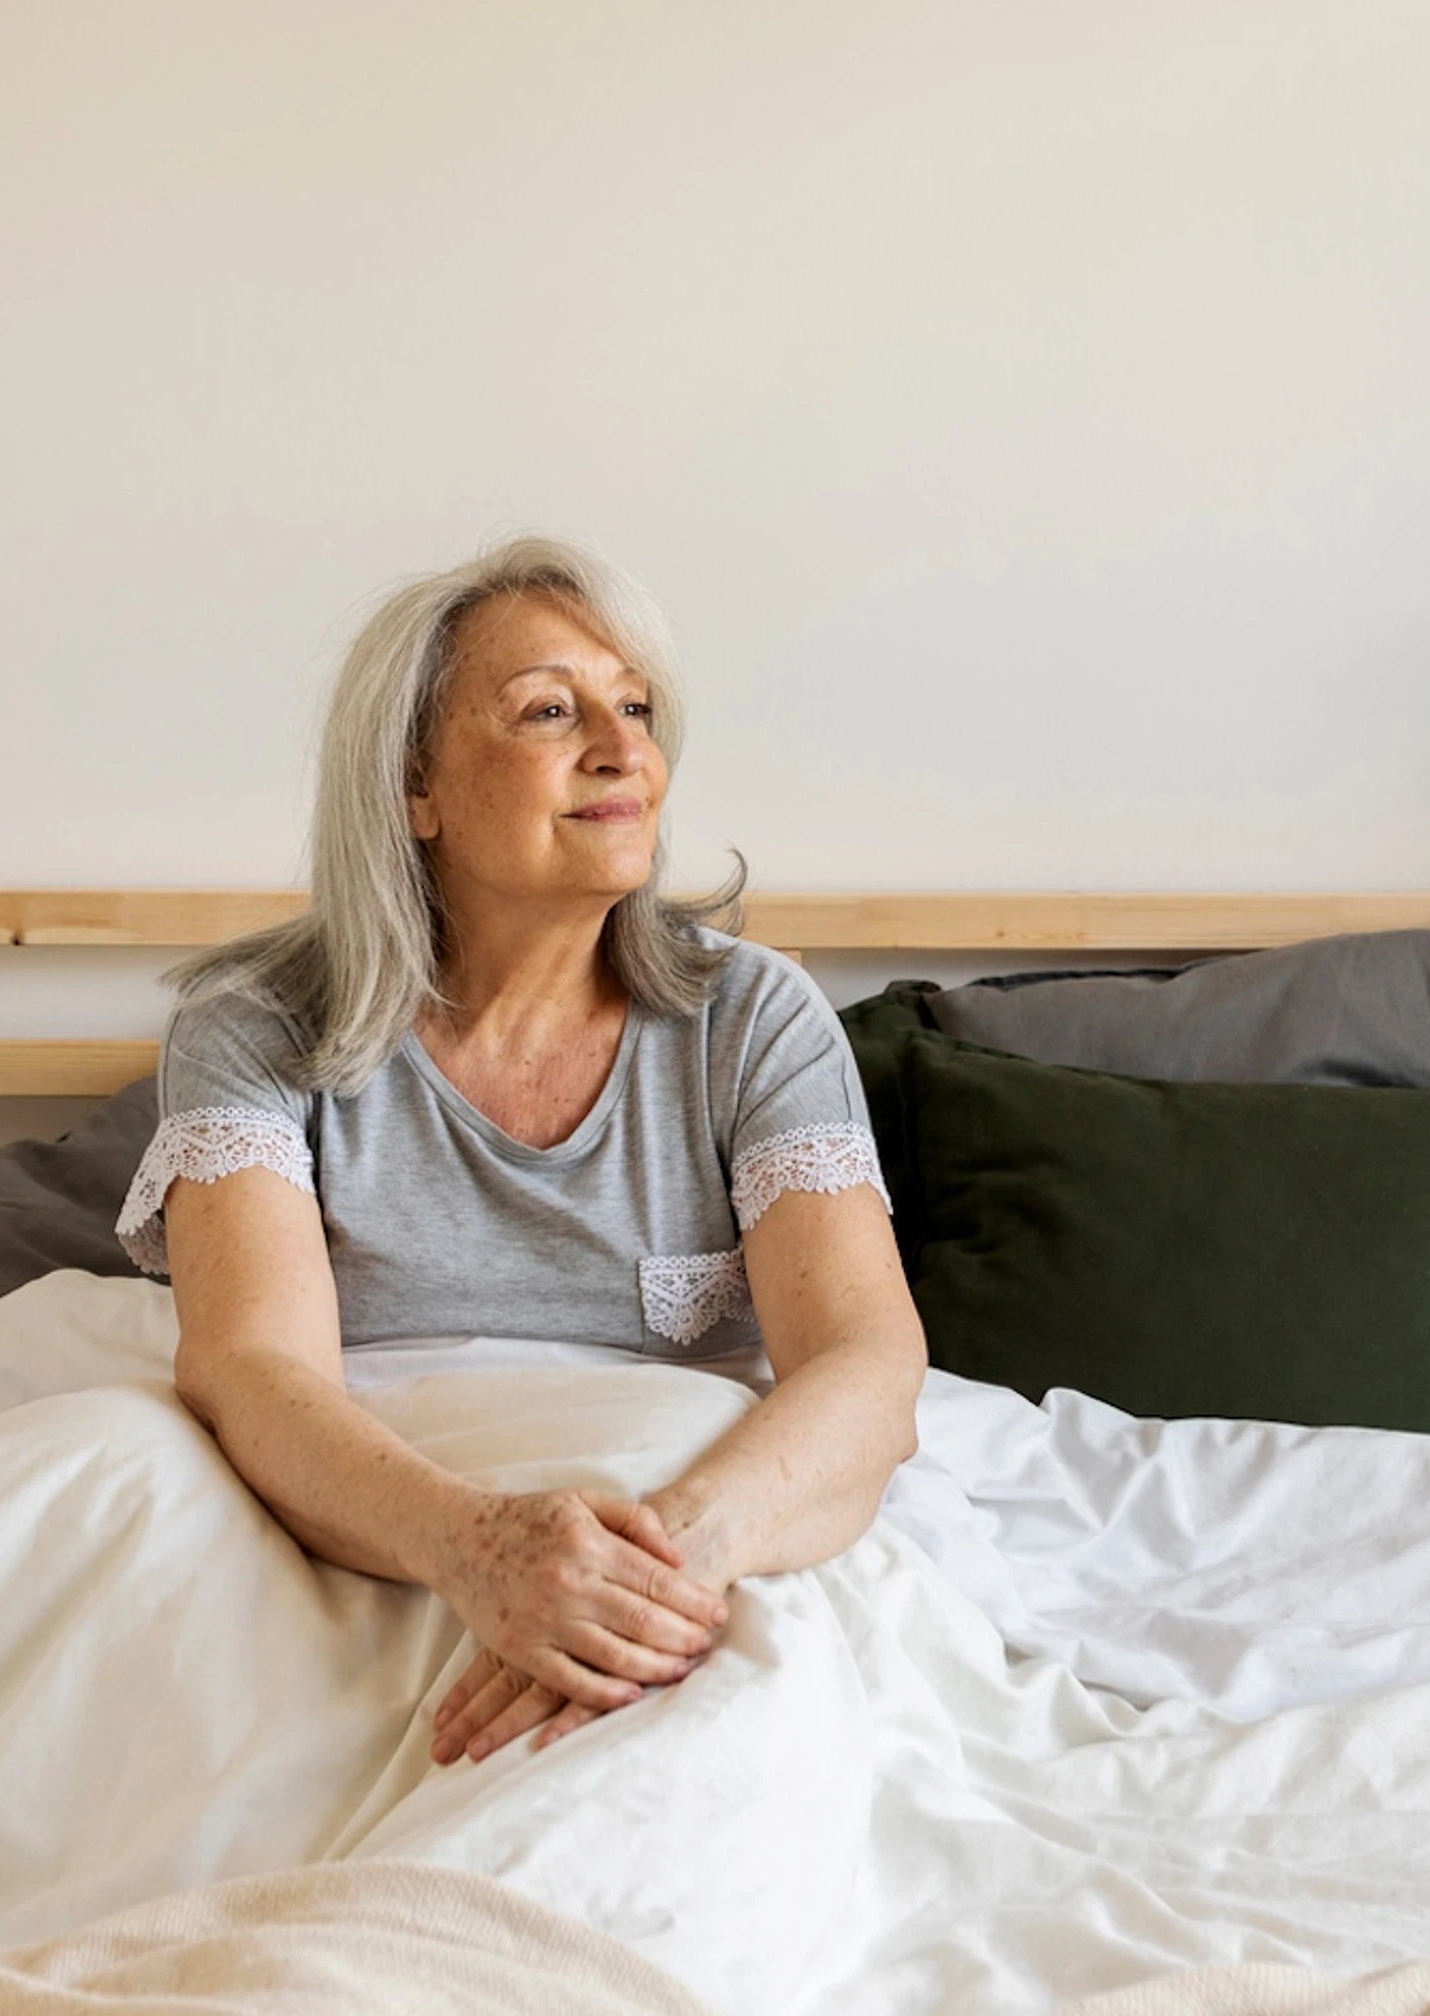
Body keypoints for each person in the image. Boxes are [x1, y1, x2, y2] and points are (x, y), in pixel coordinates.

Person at [122, 538, 926, 1767]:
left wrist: (643, 1574)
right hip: (377, 1548)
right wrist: (483, 1555)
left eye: (636, 706)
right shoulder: (254, 1030)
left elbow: (867, 1360)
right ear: (415, 788)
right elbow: (250, 1370)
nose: (623, 748)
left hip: (699, 1550)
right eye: (551, 708)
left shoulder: (753, 1019)